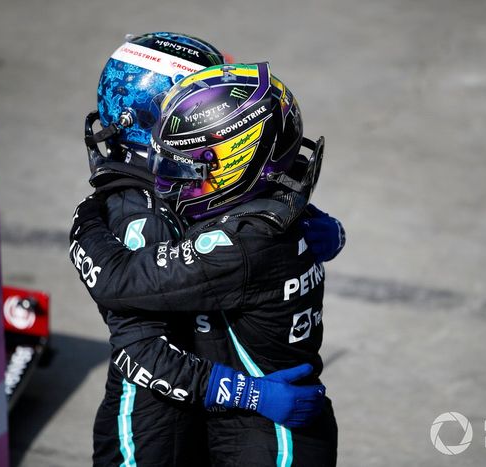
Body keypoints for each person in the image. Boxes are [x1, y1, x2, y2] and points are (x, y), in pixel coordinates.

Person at [77, 34, 344, 466]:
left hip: (242, 425)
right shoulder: (143, 210)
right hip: (153, 430)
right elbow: (138, 346)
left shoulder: (231, 213)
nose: (205, 100)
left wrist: (85, 218)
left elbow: (118, 279)